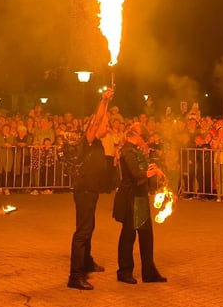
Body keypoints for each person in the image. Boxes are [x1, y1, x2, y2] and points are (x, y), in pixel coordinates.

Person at [67, 89, 114, 291]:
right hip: (84, 190)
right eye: (107, 124)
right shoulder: (88, 140)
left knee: (89, 228)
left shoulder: (98, 144)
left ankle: (86, 262)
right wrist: (103, 101)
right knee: (82, 231)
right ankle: (75, 276)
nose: (108, 127)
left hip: (91, 190)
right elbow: (96, 121)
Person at [113, 123, 167, 285]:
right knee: (128, 236)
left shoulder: (135, 150)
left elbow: (141, 168)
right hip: (131, 198)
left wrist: (153, 167)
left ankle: (149, 272)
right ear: (135, 135)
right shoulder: (127, 151)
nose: (144, 140)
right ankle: (124, 271)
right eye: (142, 137)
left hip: (140, 198)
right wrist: (154, 172)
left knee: (146, 236)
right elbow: (136, 174)